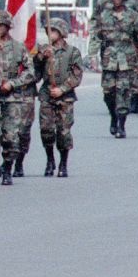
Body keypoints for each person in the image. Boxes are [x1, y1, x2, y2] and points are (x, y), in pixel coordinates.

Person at [0, 11, 37, 185]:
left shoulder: (19, 47)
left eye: (0, 25)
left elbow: (31, 72)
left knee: (11, 136)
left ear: (8, 27)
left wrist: (13, 83)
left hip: (12, 99)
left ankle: (8, 167)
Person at [35, 19, 83, 176]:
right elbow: (35, 73)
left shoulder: (72, 52)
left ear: (61, 33)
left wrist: (62, 89)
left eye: (53, 31)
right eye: (48, 31)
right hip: (47, 95)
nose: (50, 34)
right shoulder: (44, 50)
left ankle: (63, 163)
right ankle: (50, 160)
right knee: (46, 130)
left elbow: (77, 75)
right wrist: (41, 58)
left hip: (65, 97)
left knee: (64, 131)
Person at [93, 0, 138, 138]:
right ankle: (113, 116)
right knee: (108, 92)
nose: (117, 0)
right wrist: (92, 55)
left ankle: (121, 124)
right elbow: (96, 36)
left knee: (123, 91)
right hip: (109, 58)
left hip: (127, 58)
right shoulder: (104, 16)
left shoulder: (133, 16)